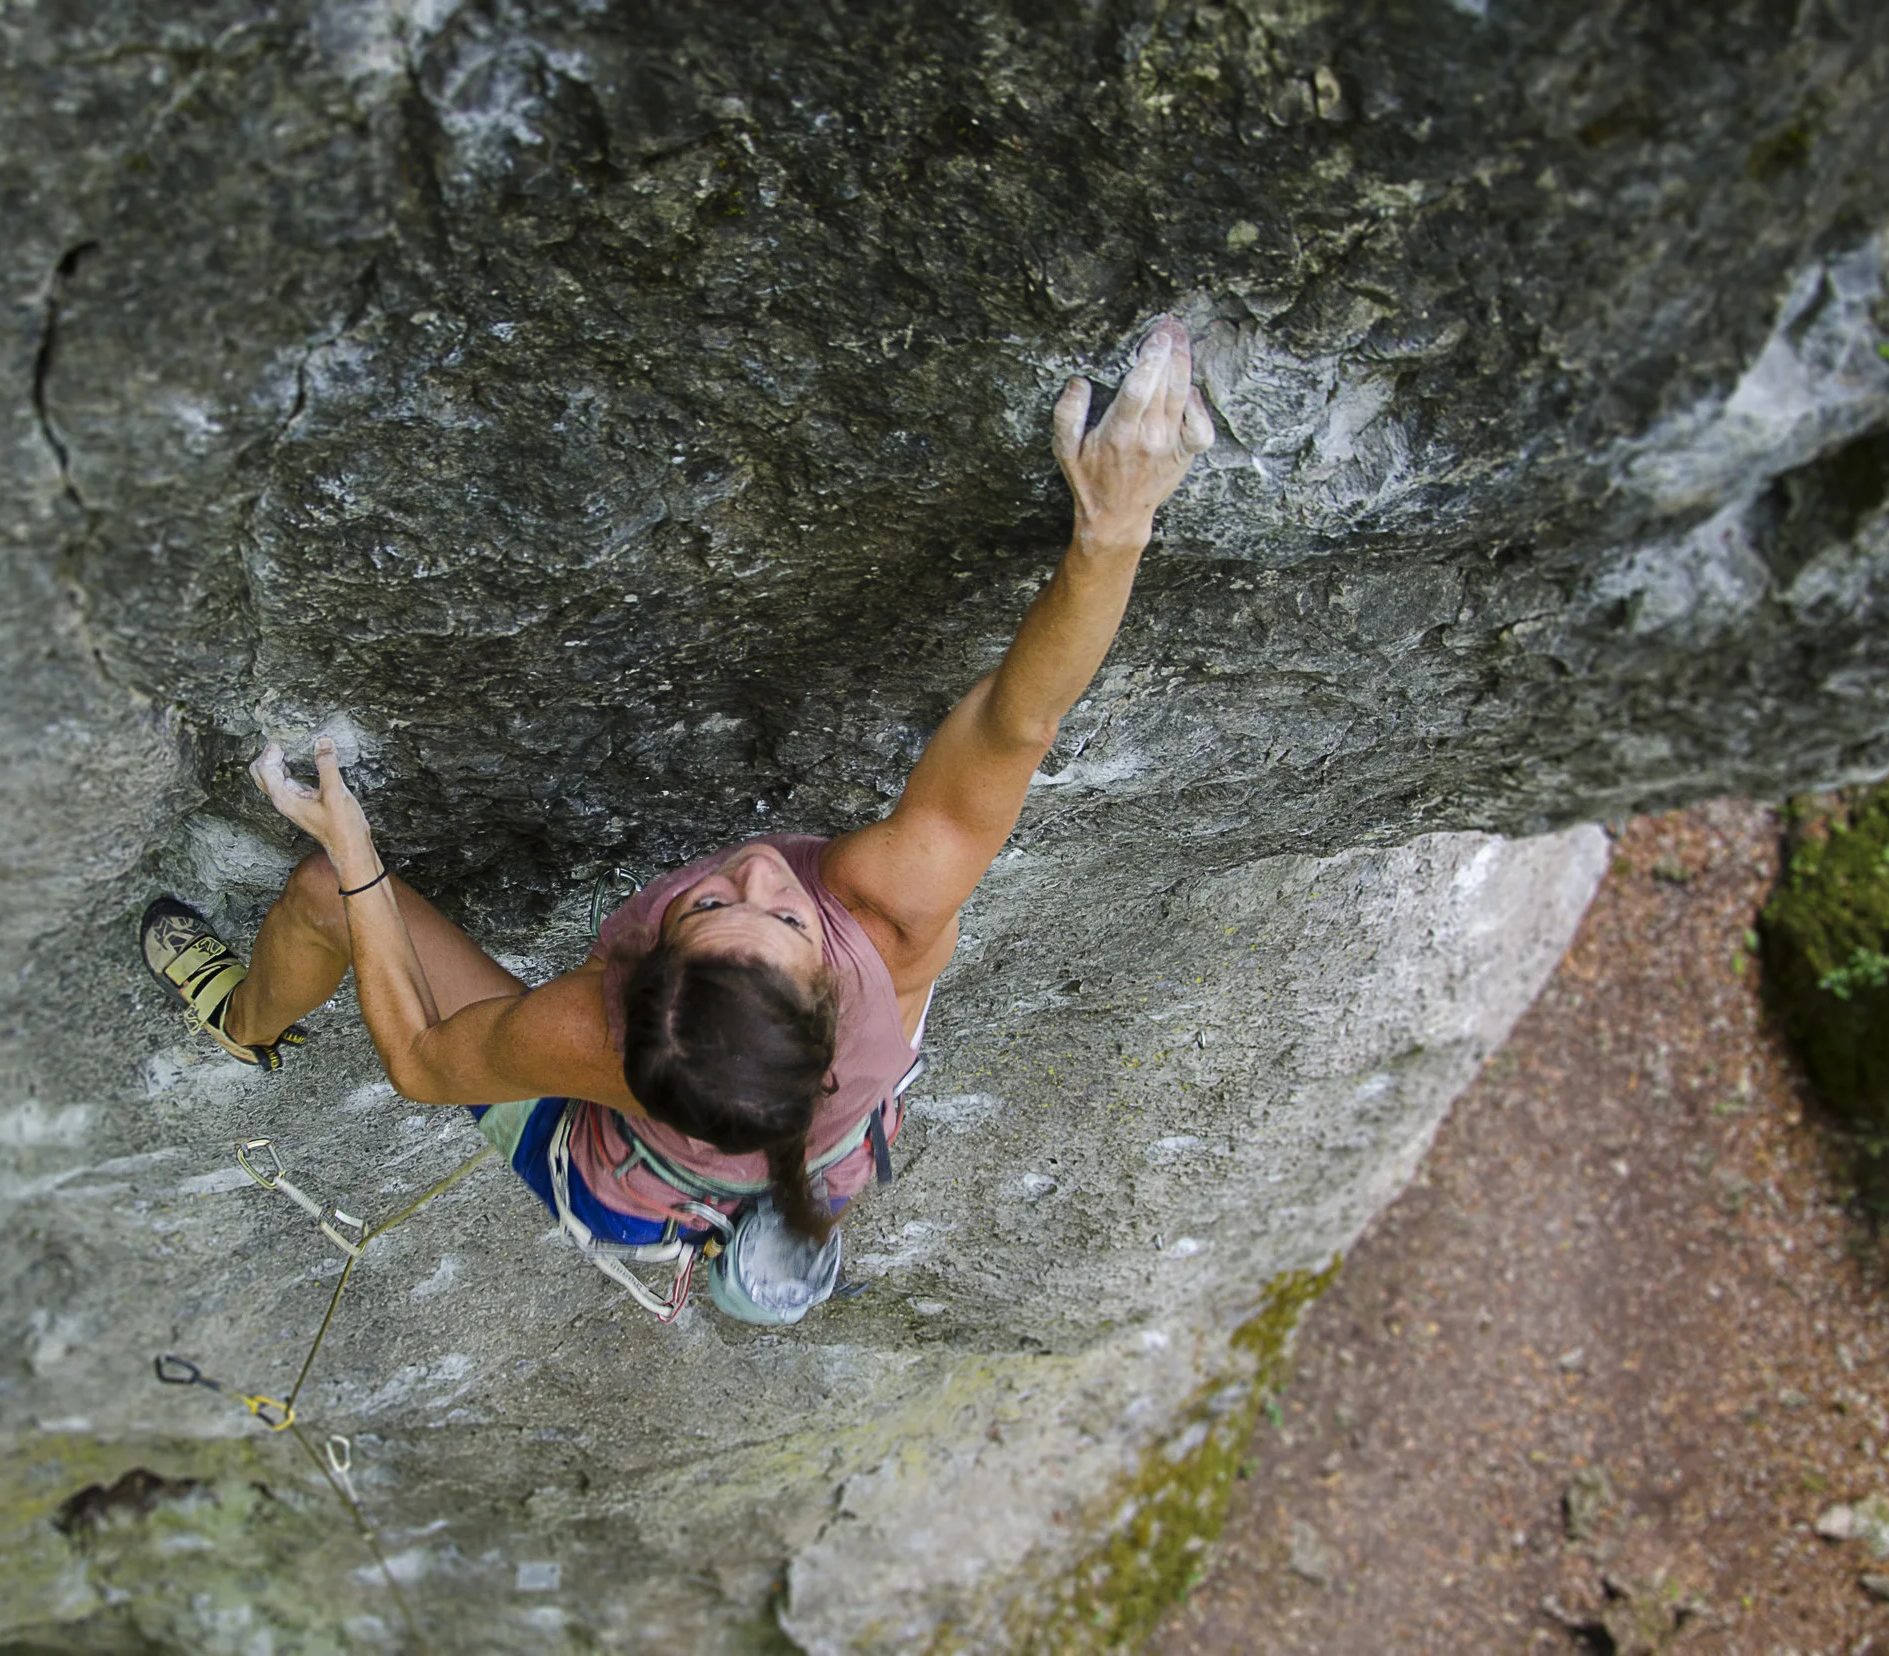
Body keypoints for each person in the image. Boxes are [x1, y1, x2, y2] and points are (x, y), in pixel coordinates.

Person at [142, 315, 1214, 1303]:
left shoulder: (590, 1037)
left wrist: (359, 859)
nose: (760, 872)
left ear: (631, 984)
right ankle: (766, 1216)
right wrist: (1113, 529)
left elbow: (425, 1064)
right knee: (788, 1113)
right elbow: (1011, 728)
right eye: (780, 917)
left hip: (633, 1182)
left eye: (716, 912)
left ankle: (245, 1028)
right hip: (818, 1131)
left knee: (324, 895)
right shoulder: (890, 920)